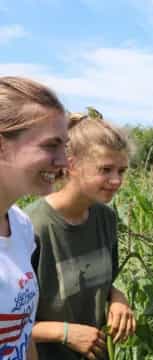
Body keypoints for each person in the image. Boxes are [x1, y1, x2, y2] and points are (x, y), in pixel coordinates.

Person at [26, 111, 136, 360]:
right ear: (72, 165)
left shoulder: (105, 218)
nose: (116, 180)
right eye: (106, 169)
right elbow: (8, 322)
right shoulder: (32, 227)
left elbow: (102, 283)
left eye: (122, 170)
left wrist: (117, 298)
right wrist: (63, 332)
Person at [0, 76, 68, 359]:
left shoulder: (20, 225)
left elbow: (23, 332)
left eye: (64, 145)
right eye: (51, 146)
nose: (64, 160)